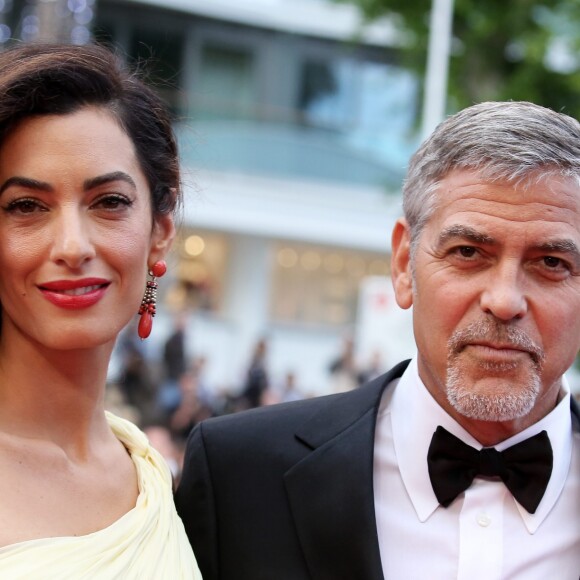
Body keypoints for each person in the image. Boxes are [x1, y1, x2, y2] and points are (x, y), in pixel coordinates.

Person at [176, 101, 580, 579]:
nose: (504, 300)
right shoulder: (240, 473)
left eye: (552, 263)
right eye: (468, 252)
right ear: (403, 264)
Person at [0, 43, 201, 578]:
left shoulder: (152, 474)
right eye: (26, 206)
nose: (72, 246)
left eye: (109, 202)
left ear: (160, 231)